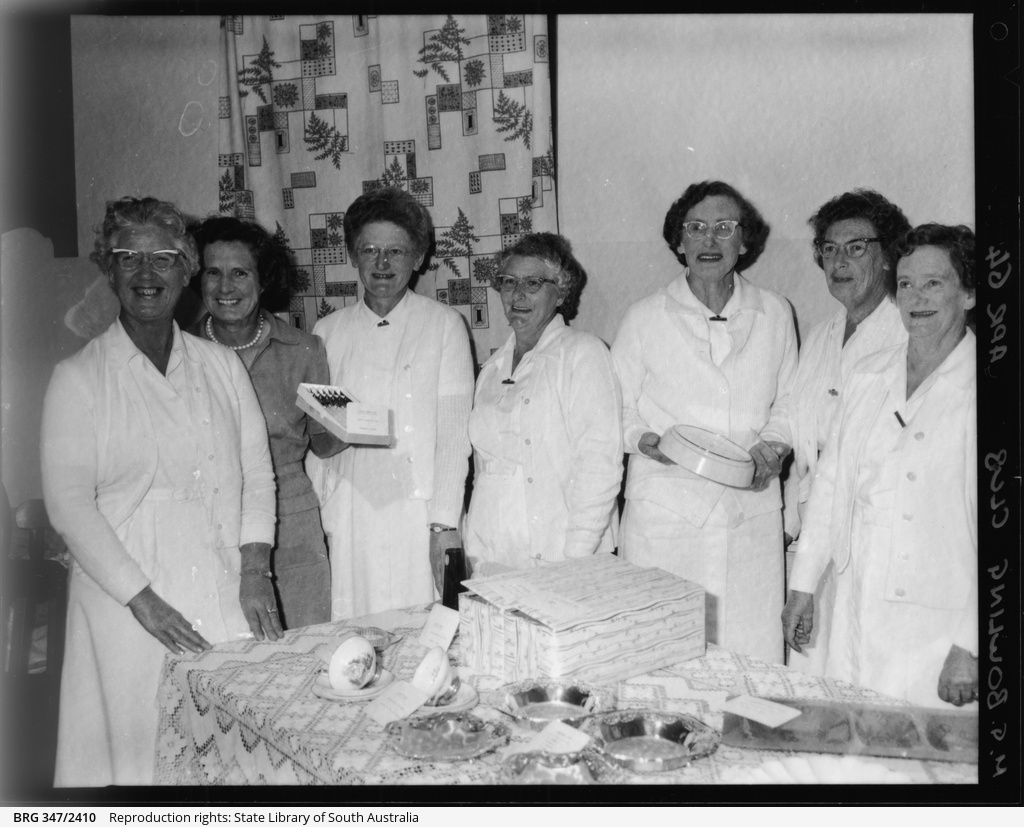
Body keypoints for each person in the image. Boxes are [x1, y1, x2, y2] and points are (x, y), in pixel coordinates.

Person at [41, 197, 279, 786]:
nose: (147, 274)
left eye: (164, 259)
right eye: (130, 258)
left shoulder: (220, 366)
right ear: (111, 269)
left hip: (222, 586)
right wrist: (143, 601)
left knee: (228, 763)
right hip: (125, 598)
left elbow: (257, 473)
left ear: (186, 270)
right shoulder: (78, 378)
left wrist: (255, 569)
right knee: (142, 765)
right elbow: (69, 506)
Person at [783, 224, 977, 708]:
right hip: (858, 604)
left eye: (934, 283)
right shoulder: (870, 375)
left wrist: (974, 645)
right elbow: (830, 486)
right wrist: (803, 585)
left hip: (940, 623)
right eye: (906, 284)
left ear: (970, 293)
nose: (916, 297)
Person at [611, 180, 797, 663]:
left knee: (750, 656)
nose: (709, 241)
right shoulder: (644, 317)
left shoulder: (775, 313)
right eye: (695, 228)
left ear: (745, 241)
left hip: (749, 515)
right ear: (679, 241)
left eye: (724, 228)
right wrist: (645, 439)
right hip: (667, 514)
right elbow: (614, 410)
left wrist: (773, 447)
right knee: (663, 654)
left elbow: (791, 403)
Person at [309, 188, 473, 619]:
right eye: (370, 250)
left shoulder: (443, 325)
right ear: (353, 255)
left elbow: (455, 437)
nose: (382, 264)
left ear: (418, 258)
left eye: (396, 251)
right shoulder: (326, 331)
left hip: (416, 515)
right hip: (351, 512)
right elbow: (317, 436)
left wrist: (444, 525)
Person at [189, 216, 345, 629]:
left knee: (304, 653)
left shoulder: (304, 349)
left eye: (240, 273)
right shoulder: (179, 353)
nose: (226, 288)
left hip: (290, 520)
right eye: (213, 273)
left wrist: (357, 422)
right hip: (207, 520)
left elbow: (324, 441)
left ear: (262, 280)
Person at [784, 190, 912, 674]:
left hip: (869, 544)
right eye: (829, 249)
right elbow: (799, 429)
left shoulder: (906, 334)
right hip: (812, 534)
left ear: (887, 256)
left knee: (859, 676)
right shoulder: (820, 335)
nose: (839, 261)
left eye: (856, 246)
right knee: (809, 677)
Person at [463, 233, 622, 573]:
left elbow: (600, 465)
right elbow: (483, 472)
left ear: (561, 291)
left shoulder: (584, 353)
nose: (517, 294)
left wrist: (576, 558)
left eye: (533, 283)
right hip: (491, 552)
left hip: (561, 554)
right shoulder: (491, 370)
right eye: (508, 282)